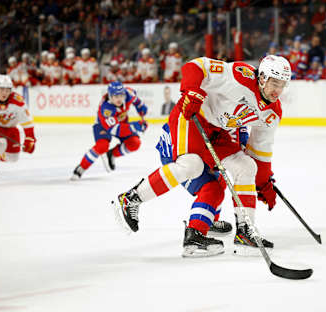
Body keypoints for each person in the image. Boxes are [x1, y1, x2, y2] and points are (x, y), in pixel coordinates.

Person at [111, 55, 291, 257]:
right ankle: (132, 198)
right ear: (263, 78)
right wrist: (192, 90)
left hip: (219, 131)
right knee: (191, 165)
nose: (278, 90)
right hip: (193, 116)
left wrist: (263, 182)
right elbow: (196, 66)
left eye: (283, 85)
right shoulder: (239, 76)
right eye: (275, 83)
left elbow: (260, 150)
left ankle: (244, 232)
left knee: (246, 166)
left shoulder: (272, 113)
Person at [155, 123, 250, 256]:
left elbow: (241, 134)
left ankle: (208, 222)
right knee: (211, 188)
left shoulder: (242, 111)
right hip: (178, 147)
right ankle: (194, 235)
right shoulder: (222, 105)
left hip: (199, 143)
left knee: (219, 181)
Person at [71, 81, 148, 180]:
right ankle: (81, 167)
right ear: (110, 96)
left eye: (121, 95)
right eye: (116, 96)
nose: (119, 99)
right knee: (102, 146)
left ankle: (112, 154)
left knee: (135, 143)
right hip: (103, 126)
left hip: (121, 124)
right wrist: (135, 126)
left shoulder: (129, 93)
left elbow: (137, 101)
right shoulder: (106, 108)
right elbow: (115, 130)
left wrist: (141, 108)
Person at [0, 75, 36, 183]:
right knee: (0, 143)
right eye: (1, 89)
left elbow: (27, 123)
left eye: (7, 90)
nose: (4, 93)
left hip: (11, 129)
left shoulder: (18, 102)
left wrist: (30, 139)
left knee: (13, 158)